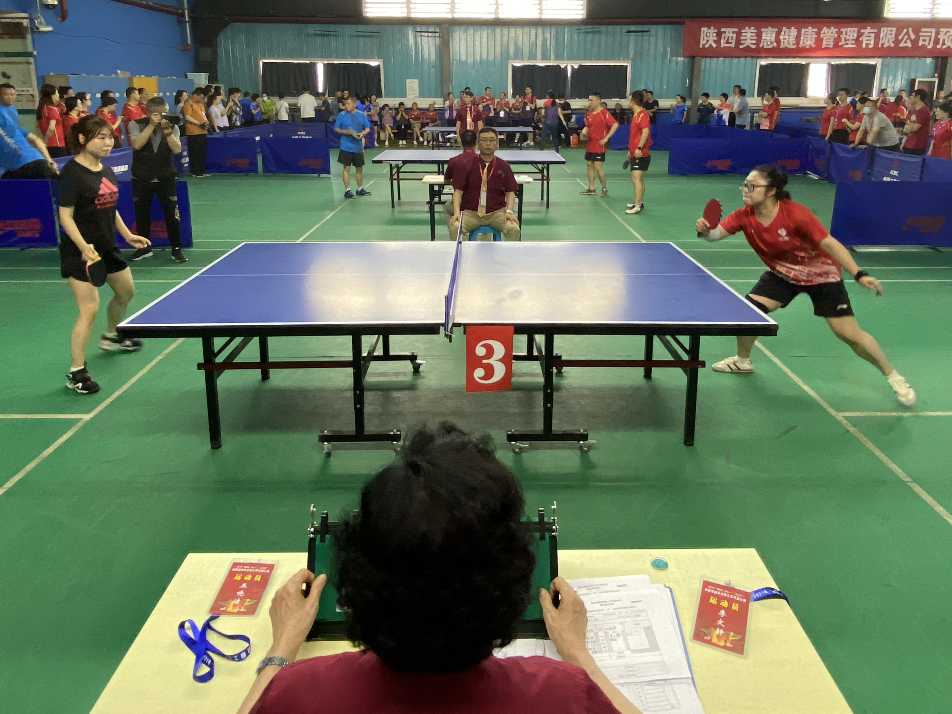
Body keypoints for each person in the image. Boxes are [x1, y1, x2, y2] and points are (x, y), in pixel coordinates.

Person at [237, 423, 640, 714]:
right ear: (511, 588)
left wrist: (281, 647)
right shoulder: (563, 695)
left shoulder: (299, 693)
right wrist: (578, 653)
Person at [694, 165, 915, 406]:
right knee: (750, 312)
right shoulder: (743, 215)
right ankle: (742, 361)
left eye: (752, 186)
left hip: (822, 276)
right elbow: (715, 235)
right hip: (783, 275)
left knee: (849, 335)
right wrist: (705, 231)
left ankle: (893, 376)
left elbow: (829, 243)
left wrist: (858, 273)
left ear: (771, 190)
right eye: (744, 185)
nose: (745, 190)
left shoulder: (795, 214)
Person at [58, 115, 152, 395]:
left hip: (107, 247)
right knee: (89, 309)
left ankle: (111, 336)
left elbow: (110, 205)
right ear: (83, 139)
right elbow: (65, 216)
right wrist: (83, 246)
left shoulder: (106, 170)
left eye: (110, 137)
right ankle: (76, 372)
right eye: (101, 137)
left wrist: (127, 235)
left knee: (126, 291)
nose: (108, 142)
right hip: (81, 253)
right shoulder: (71, 173)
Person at [127, 96, 186, 263]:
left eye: (165, 113)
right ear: (149, 113)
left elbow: (177, 149)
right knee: (141, 215)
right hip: (141, 177)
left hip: (165, 177)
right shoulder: (135, 124)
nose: (163, 116)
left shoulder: (172, 126)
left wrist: (168, 132)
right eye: (159, 114)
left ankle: (176, 249)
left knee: (172, 215)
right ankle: (144, 249)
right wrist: (151, 125)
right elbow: (137, 144)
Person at [449, 127, 520, 242]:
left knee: (513, 229)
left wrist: (509, 211)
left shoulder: (504, 165)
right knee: (455, 227)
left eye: (491, 140)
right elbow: (458, 191)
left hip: (496, 213)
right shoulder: (465, 165)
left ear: (497, 143)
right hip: (470, 213)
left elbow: (510, 192)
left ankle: (506, 253)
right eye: (484, 140)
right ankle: (465, 253)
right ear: (477, 143)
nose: (488, 143)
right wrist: (456, 213)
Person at [0, 83, 59, 179]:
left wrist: (49, 160)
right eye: (6, 94)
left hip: (30, 164)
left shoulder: (12, 112)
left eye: (12, 94)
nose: (10, 97)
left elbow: (35, 139)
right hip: (31, 163)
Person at [579, 92, 617, 197]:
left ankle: (604, 188)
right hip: (590, 144)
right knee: (589, 165)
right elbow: (588, 126)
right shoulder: (590, 114)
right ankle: (591, 188)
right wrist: (584, 131)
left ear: (598, 101)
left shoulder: (604, 113)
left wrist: (606, 138)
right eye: (589, 100)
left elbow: (614, 124)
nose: (590, 102)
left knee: (597, 166)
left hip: (599, 144)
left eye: (592, 100)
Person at [333, 96, 372, 200]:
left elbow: (367, 128)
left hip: (358, 146)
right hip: (346, 146)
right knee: (346, 168)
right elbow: (336, 128)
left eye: (348, 104)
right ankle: (347, 190)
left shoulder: (361, 115)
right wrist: (344, 132)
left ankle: (360, 189)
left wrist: (362, 133)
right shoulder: (341, 115)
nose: (346, 106)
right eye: (345, 104)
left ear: (354, 104)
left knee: (359, 168)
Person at [442, 128, 478, 229]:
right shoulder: (484, 161)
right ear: (476, 143)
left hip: (462, 204)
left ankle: (455, 231)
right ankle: (483, 235)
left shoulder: (454, 161)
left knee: (447, 207)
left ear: (460, 142)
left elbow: (446, 179)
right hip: (481, 204)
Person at [625, 90, 651, 216]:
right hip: (634, 152)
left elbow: (645, 132)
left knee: (636, 178)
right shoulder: (635, 115)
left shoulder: (642, 115)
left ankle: (637, 205)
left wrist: (639, 148)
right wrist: (630, 151)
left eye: (629, 99)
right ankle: (638, 202)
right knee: (637, 178)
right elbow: (635, 135)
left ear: (632, 102)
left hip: (641, 153)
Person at [182, 87, 210, 177]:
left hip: (202, 131)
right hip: (193, 132)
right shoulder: (188, 102)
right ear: (196, 95)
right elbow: (187, 117)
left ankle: (202, 169)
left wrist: (206, 122)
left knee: (202, 151)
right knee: (195, 152)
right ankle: (195, 171)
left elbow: (203, 114)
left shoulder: (200, 103)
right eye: (201, 97)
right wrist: (199, 123)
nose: (202, 99)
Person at [37, 84, 67, 158]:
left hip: (47, 144)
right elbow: (51, 127)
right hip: (56, 144)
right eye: (57, 93)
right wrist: (45, 139)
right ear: (52, 95)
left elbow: (37, 126)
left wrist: (42, 140)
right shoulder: (52, 109)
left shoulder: (41, 108)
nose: (58, 95)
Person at [900, 89, 931, 155]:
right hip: (909, 143)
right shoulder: (914, 111)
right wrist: (908, 127)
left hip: (917, 145)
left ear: (918, 97)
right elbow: (906, 128)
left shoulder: (923, 111)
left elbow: (914, 129)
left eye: (912, 95)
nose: (910, 97)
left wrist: (908, 127)